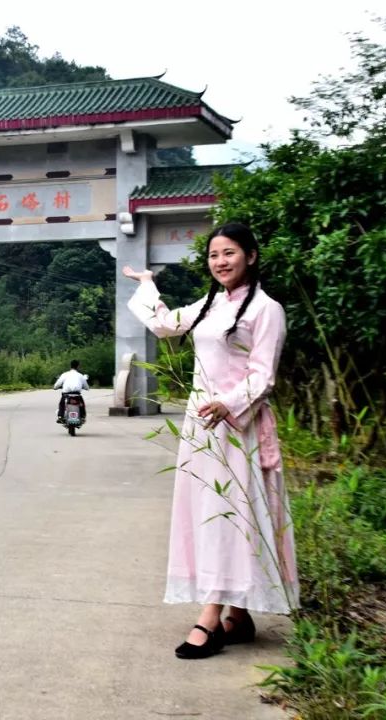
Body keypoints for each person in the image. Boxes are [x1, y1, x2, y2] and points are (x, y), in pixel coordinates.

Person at [123, 221, 298, 660]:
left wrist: (229, 404)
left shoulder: (266, 310)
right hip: (201, 429)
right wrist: (148, 286)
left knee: (228, 514)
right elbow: (165, 326)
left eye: (229, 254)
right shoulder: (210, 304)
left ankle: (210, 619)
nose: (220, 262)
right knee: (209, 514)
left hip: (239, 428)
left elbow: (263, 376)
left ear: (251, 257)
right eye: (214, 256)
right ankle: (236, 616)